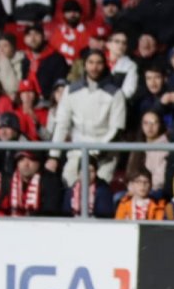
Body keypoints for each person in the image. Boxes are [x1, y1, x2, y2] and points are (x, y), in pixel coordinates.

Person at [47, 49, 127, 186]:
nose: (94, 67)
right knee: (69, 185)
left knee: (99, 190)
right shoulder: (71, 90)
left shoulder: (116, 93)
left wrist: (97, 152)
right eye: (91, 62)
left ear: (104, 65)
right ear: (85, 65)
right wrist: (54, 156)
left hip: (105, 156)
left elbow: (117, 128)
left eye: (99, 63)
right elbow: (61, 125)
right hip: (77, 152)